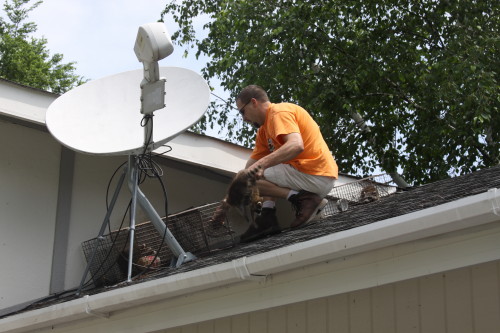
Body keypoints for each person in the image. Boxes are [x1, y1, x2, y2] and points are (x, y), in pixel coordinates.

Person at [236, 85, 338, 242]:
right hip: (311, 176)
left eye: (242, 111)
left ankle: (303, 200)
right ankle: (267, 217)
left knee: (254, 175)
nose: (243, 118)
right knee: (247, 178)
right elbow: (245, 172)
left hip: (316, 174)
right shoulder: (264, 131)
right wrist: (224, 205)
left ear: (254, 102)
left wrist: (261, 166)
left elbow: (296, 145)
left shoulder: (278, 113)